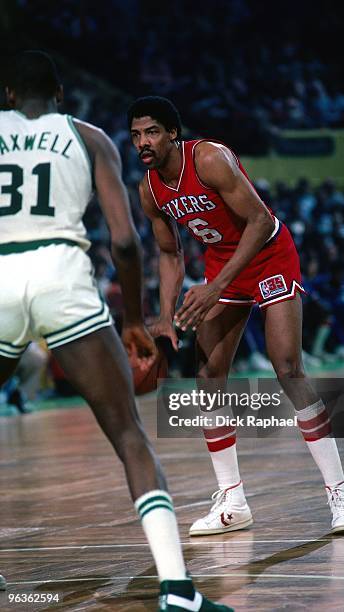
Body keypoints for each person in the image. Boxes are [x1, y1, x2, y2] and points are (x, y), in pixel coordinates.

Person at [0, 51, 232, 612]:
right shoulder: (90, 137)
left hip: (2, 272)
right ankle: (177, 592)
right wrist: (132, 319)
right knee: (129, 434)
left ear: (8, 97)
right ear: (59, 96)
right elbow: (125, 242)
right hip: (61, 275)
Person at [129, 95, 344, 537]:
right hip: (223, 264)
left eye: (152, 131)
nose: (144, 141)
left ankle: (340, 493)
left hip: (269, 254)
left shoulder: (210, 158)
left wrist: (215, 287)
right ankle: (232, 500)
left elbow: (258, 221)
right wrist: (163, 317)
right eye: (137, 134)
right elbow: (168, 251)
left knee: (288, 368)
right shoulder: (149, 189)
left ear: (173, 133)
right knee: (208, 375)